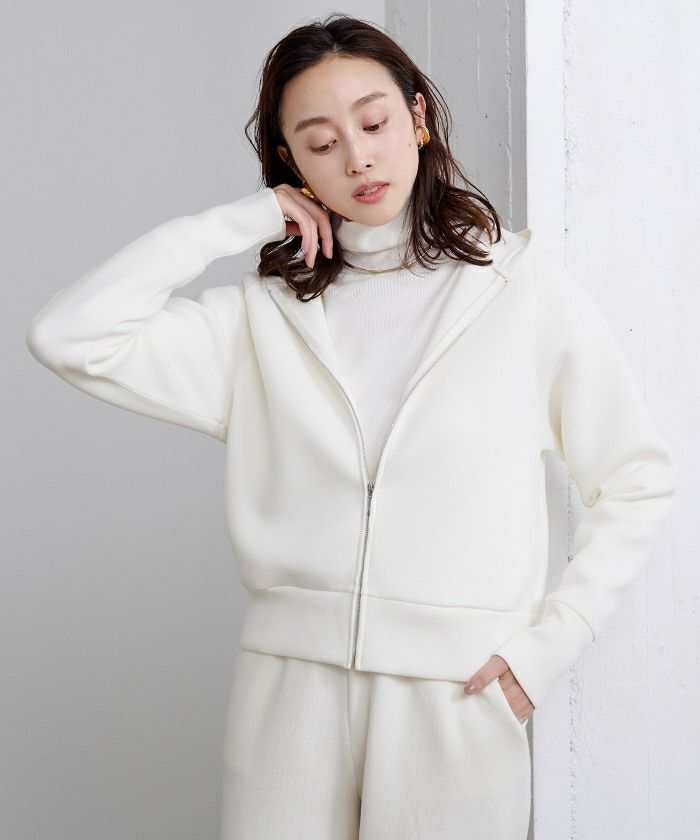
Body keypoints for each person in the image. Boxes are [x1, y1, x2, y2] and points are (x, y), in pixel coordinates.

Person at [25, 13, 677, 840]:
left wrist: (545, 650)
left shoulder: (519, 290)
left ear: (417, 117)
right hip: (287, 692)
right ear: (290, 163)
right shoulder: (259, 322)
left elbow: (636, 478)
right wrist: (239, 222)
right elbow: (68, 335)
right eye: (322, 142)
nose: (359, 158)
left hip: (455, 694)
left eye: (373, 124)